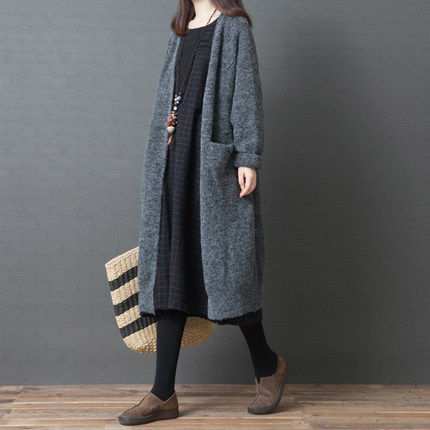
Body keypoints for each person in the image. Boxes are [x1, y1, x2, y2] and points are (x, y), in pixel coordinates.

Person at [119, 0, 287, 425]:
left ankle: (267, 365)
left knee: (229, 272)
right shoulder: (181, 29)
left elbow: (246, 93)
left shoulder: (233, 27)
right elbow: (168, 101)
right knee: (171, 267)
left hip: (212, 165)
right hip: (173, 161)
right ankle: (163, 393)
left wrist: (247, 156)